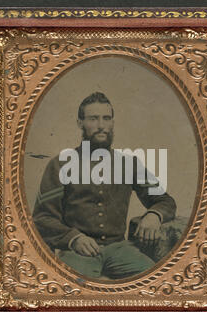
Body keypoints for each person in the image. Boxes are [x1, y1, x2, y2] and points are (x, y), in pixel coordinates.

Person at [33, 92, 176, 279]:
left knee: (158, 283)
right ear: (80, 123)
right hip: (78, 254)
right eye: (93, 118)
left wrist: (154, 215)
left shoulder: (128, 163)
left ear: (113, 123)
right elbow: (42, 218)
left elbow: (165, 200)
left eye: (106, 118)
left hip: (121, 250)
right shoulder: (60, 164)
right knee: (72, 295)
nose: (101, 125)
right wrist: (73, 239)